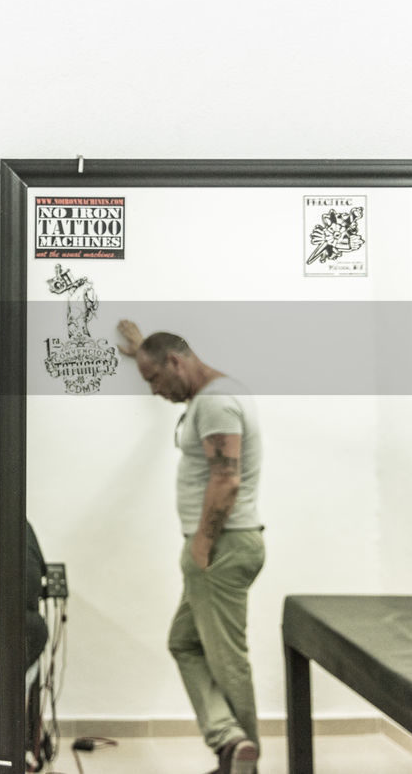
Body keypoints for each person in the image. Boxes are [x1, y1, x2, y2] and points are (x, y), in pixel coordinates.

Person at [117, 320, 264, 774]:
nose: (154, 392)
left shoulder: (216, 403)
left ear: (176, 363)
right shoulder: (211, 394)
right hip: (219, 547)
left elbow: (226, 478)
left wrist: (201, 546)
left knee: (226, 659)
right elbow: (164, 358)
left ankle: (245, 764)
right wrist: (143, 349)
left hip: (221, 547)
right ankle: (231, 742)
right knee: (185, 643)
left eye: (155, 379)